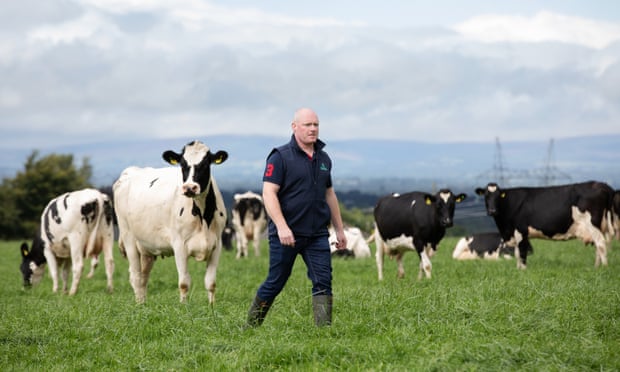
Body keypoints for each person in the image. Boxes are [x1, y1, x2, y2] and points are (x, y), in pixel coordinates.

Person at [246, 107, 347, 327]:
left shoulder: (324, 158)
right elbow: (268, 193)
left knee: (323, 281)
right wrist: (282, 227)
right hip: (286, 234)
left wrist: (339, 229)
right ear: (294, 127)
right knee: (276, 282)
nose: (313, 129)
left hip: (317, 234)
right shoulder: (280, 156)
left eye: (316, 125)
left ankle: (324, 333)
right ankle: (251, 326)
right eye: (307, 125)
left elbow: (329, 194)